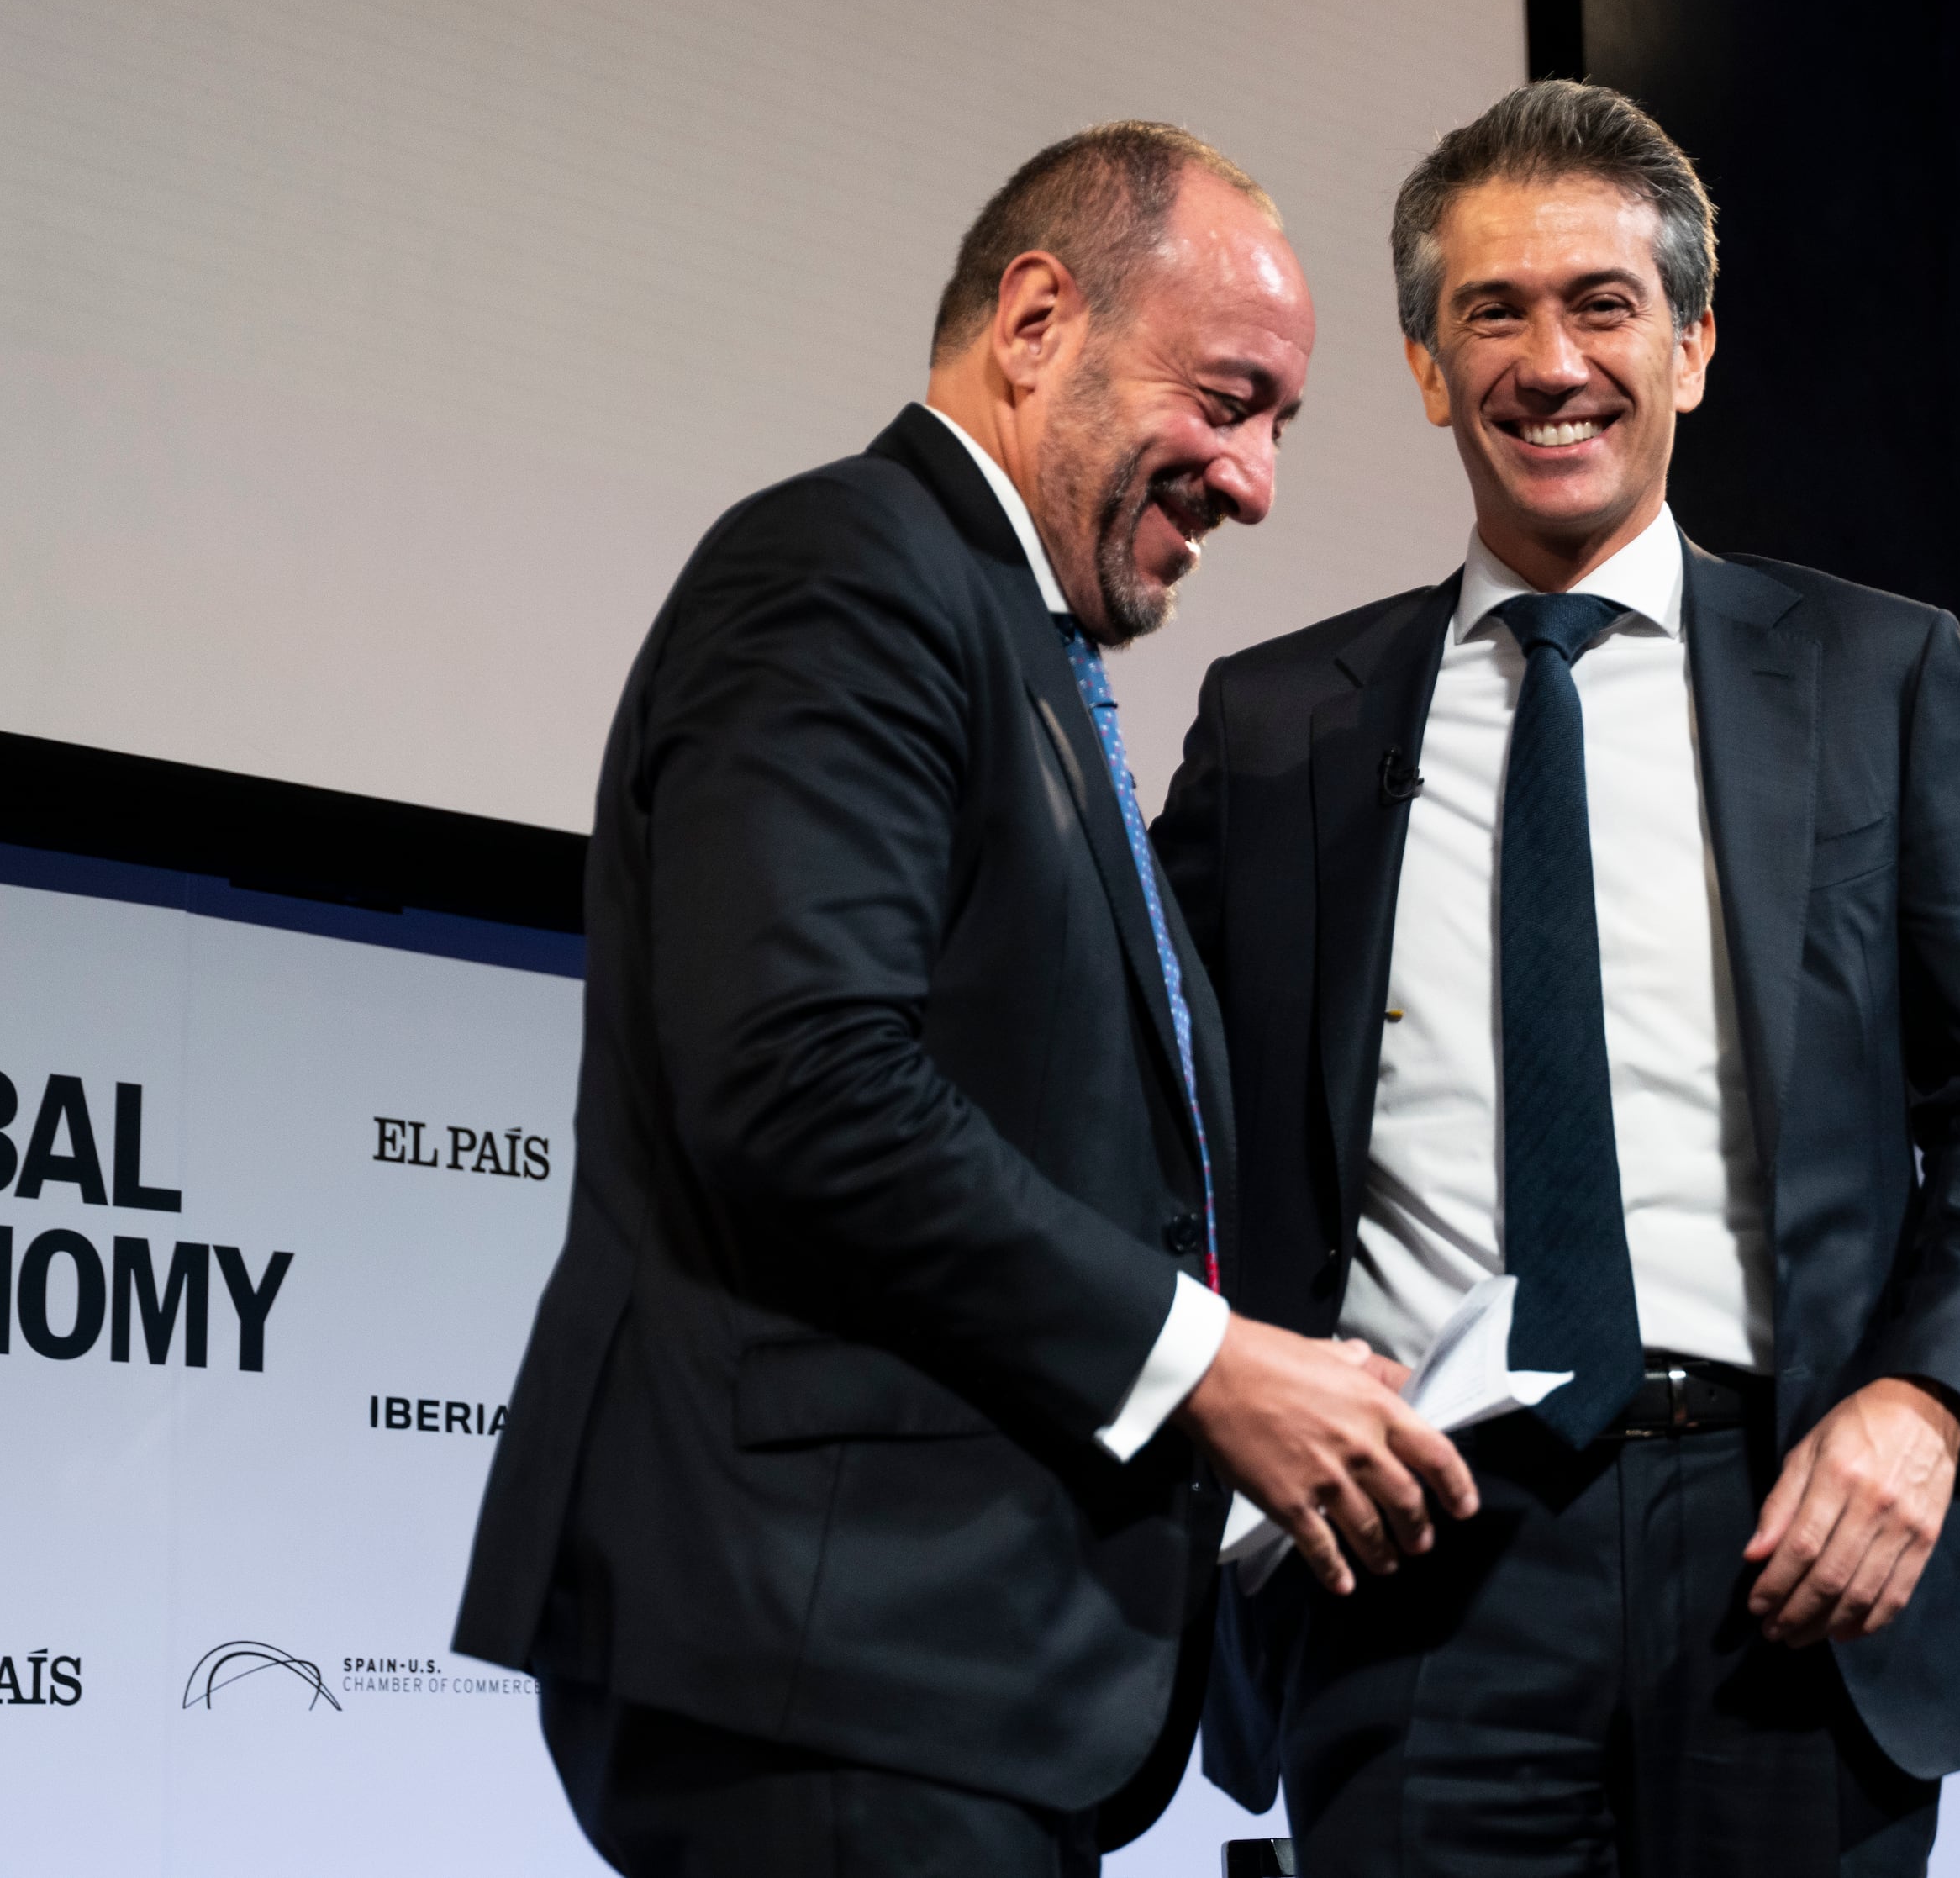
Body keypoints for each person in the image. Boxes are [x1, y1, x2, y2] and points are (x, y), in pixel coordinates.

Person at [456, 122, 1480, 1878]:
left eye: (1279, 427)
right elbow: (800, 1078)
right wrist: (1205, 1363)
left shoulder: (1013, 637)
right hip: (826, 1654)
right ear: (1032, 322)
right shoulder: (843, 572)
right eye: (1229, 399)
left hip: (930, 1678)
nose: (1252, 480)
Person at [1150, 80, 1960, 1875]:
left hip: (1789, 1557)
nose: (1549, 358)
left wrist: (1930, 1406)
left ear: (1691, 345)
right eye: (1489, 312)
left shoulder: (1876, 675)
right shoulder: (1277, 725)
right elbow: (1145, 1108)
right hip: (1414, 1556)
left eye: (1601, 303)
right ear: (1429, 366)